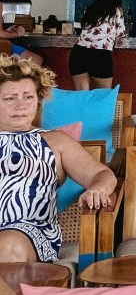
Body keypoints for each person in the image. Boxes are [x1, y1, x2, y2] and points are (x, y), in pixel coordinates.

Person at [0, 55, 116, 263]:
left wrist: (97, 189)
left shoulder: (55, 141)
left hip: (28, 233)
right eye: (10, 98)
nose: (21, 106)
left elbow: (102, 173)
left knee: (7, 246)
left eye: (28, 97)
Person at [71, 0, 124, 91]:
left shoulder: (91, 9)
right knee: (102, 95)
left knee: (81, 96)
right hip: (100, 54)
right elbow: (120, 33)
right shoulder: (117, 10)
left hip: (79, 52)